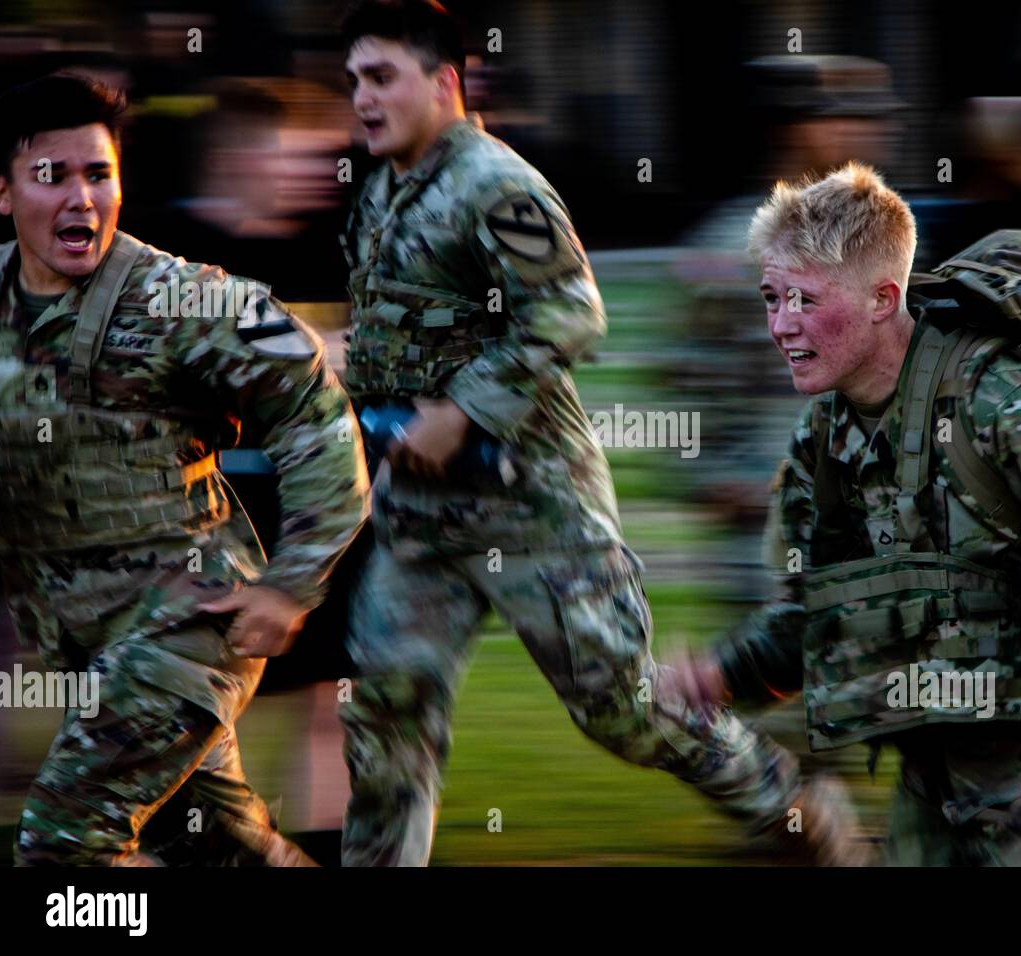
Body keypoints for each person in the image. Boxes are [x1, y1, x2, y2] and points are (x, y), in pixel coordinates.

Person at [335, 0, 861, 866]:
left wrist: (462, 411)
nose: (361, 97)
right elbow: (402, 332)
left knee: (622, 709)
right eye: (353, 78)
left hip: (534, 505)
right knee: (387, 707)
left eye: (381, 76)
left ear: (443, 84)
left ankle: (793, 806)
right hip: (423, 513)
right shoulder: (382, 190)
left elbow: (572, 310)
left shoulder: (495, 184)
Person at [664, 161, 1021, 865]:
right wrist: (722, 674)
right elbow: (816, 619)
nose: (780, 326)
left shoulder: (1014, 413)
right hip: (937, 785)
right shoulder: (824, 438)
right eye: (771, 298)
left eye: (805, 301)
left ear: (884, 298)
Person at [0, 73, 369, 865]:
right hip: (88, 646)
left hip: (188, 631)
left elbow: (319, 417)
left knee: (64, 848)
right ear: (2, 194)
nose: (81, 200)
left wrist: (291, 583)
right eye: (51, 176)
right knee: (229, 849)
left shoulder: (184, 302)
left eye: (99, 175)